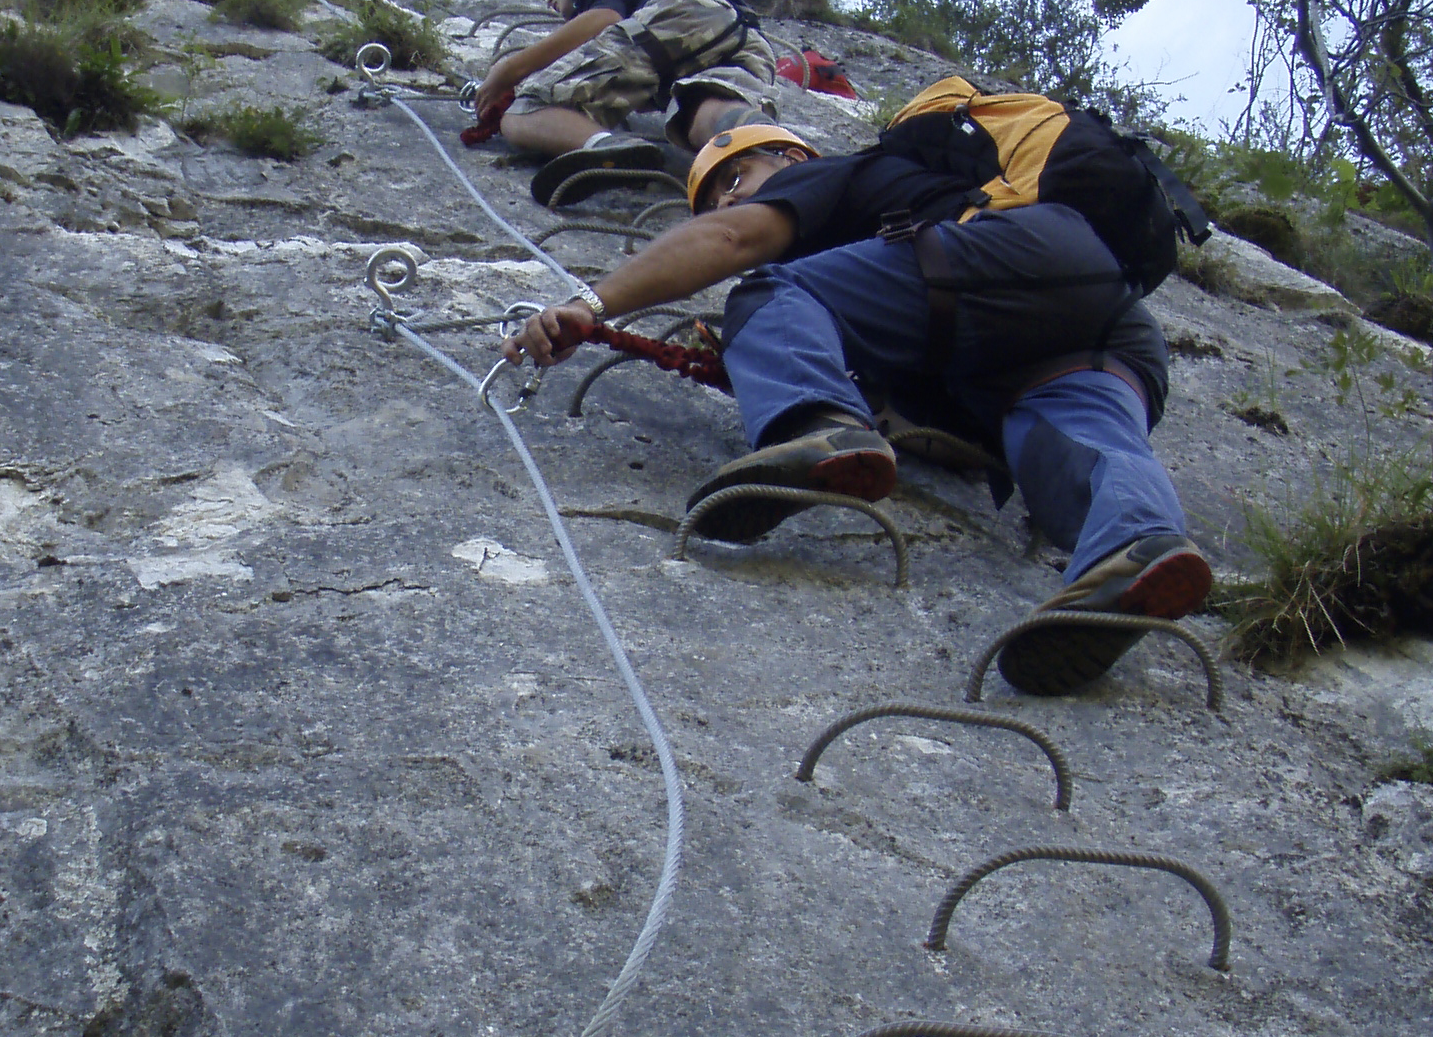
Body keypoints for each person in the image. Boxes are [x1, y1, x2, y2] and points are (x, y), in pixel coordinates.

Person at [500, 90, 1214, 696]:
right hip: (1099, 325)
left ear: (789, 159)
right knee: (1073, 446)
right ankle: (1137, 546)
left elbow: (733, 242)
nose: (723, 197)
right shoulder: (874, 272)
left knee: (765, 293)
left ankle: (819, 426)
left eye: (733, 175)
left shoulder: (834, 176)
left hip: (1003, 262)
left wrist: (593, 305)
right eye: (710, 193)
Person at [469, 0, 785, 184]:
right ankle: (774, 158)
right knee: (700, 106)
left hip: (682, 15)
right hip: (748, 38)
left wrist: (510, 70)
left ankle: (615, 147)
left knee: (526, 110)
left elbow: (603, 17)